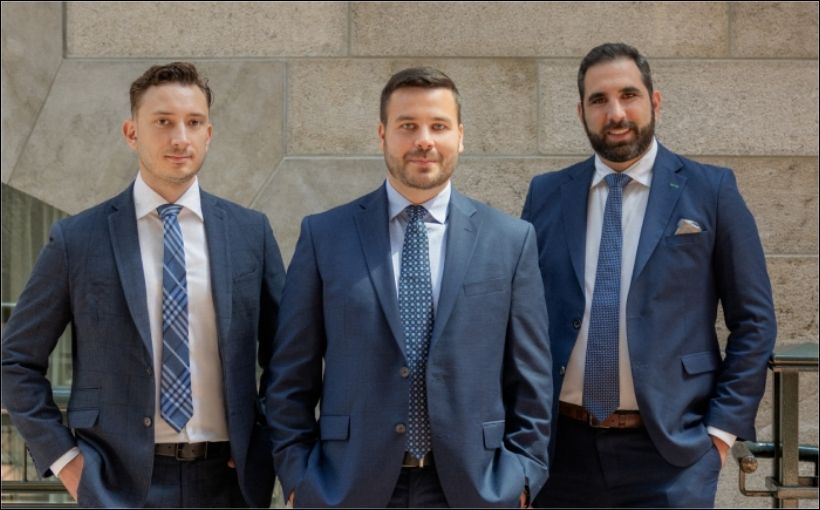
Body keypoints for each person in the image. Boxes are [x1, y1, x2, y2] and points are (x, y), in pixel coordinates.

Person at [1, 62, 285, 508]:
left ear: (209, 133)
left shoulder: (251, 233)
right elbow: (15, 361)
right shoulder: (78, 239)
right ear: (132, 132)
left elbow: (288, 357)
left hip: (229, 483)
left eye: (193, 123)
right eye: (163, 122)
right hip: (117, 483)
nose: (180, 137)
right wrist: (67, 462)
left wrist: (267, 440)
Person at [266, 67, 552, 508]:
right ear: (382, 134)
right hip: (347, 487)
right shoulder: (326, 236)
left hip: (474, 488)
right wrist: (298, 477)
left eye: (438, 126)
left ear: (461, 136)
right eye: (407, 126)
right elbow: (290, 377)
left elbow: (531, 381)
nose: (424, 139)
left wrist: (523, 475)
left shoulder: (510, 241)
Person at [521, 42, 777, 507]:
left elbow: (754, 320)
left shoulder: (711, 190)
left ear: (654, 101)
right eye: (599, 100)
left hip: (671, 454)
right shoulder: (546, 194)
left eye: (628, 95)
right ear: (581, 111)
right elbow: (521, 323)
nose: (615, 112)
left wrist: (717, 438)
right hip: (562, 453)